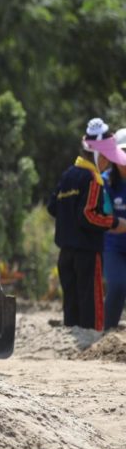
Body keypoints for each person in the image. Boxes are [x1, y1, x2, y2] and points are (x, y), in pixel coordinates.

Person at [47, 118, 126, 331]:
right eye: (107, 158)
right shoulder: (93, 179)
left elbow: (53, 207)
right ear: (98, 154)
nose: (108, 163)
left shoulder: (68, 175)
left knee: (71, 303)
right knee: (91, 303)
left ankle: (74, 339)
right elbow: (89, 215)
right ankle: (90, 342)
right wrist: (115, 222)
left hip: (65, 252)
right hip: (88, 252)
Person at [102, 128, 126, 329]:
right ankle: (106, 332)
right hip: (113, 247)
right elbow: (104, 218)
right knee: (118, 285)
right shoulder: (104, 181)